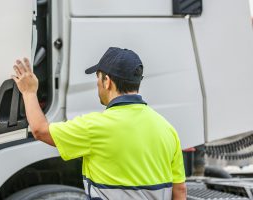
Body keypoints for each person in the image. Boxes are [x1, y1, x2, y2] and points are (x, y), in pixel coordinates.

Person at [12, 47, 187, 200]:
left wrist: (29, 92)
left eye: (98, 78)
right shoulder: (166, 129)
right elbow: (179, 190)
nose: (97, 84)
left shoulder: (94, 127)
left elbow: (40, 130)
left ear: (107, 81)